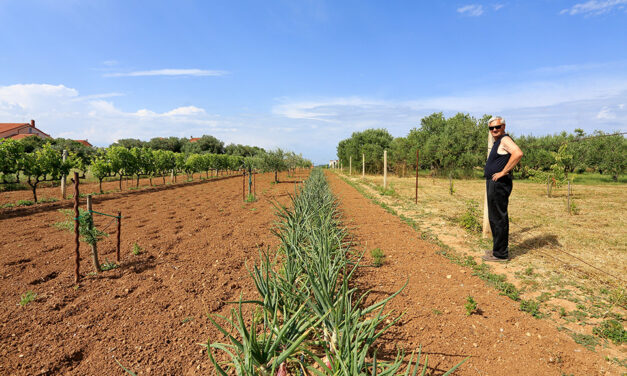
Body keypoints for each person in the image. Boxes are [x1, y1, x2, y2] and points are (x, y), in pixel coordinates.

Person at [482, 116, 523, 262]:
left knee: (499, 218)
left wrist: (503, 172)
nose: (494, 130)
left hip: (499, 183)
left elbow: (518, 153)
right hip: (494, 183)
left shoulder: (505, 139)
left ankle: (501, 254)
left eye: (497, 127)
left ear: (503, 127)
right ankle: (497, 251)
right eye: (491, 128)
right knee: (495, 217)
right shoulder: (498, 141)